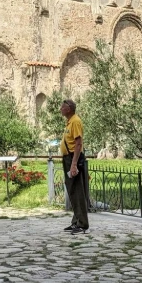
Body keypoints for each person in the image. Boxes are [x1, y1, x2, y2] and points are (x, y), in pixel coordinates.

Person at [60, 98, 89, 233]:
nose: (60, 109)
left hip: (73, 158)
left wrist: (73, 164)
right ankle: (76, 221)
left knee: (77, 191)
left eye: (62, 107)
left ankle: (82, 224)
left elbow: (78, 144)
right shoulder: (69, 122)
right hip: (69, 158)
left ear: (69, 109)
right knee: (73, 191)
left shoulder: (75, 121)